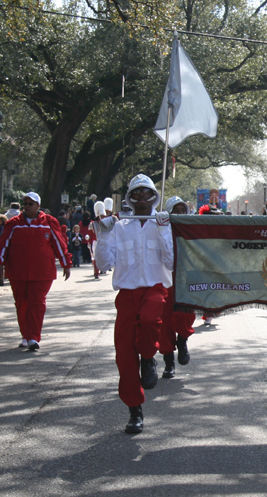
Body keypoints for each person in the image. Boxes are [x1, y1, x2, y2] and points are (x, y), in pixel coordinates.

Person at [95, 174, 173, 434]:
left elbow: (171, 262)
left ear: (154, 196)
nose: (141, 197)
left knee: (150, 321)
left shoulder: (162, 223)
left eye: (145, 193)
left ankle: (149, 357)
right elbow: (104, 264)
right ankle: (134, 410)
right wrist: (103, 234)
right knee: (124, 355)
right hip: (127, 294)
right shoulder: (120, 227)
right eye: (136, 193)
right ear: (129, 197)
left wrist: (163, 230)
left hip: (155, 288)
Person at [0, 192, 72, 350]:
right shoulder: (14, 224)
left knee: (37, 303)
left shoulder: (49, 222)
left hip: (42, 272)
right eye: (25, 204)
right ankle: (26, 334)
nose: (27, 206)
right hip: (18, 272)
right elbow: (3, 244)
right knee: (22, 304)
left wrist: (66, 263)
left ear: (38, 206)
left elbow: (59, 243)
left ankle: (33, 337)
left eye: (31, 204)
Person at [158, 197, 195, 379]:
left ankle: (182, 341)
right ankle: (168, 362)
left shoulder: (192, 229)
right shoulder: (159, 229)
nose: (180, 213)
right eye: (176, 210)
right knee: (164, 322)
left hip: (185, 279)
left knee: (186, 314)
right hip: (165, 280)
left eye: (183, 210)